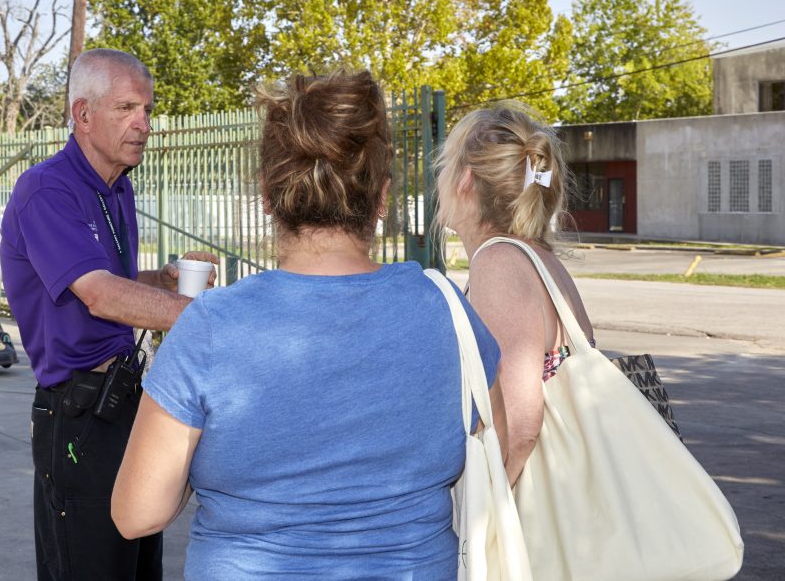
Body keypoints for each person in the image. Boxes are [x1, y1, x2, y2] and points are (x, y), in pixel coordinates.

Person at [111, 70, 506, 580]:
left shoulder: (211, 325)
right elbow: (496, 435)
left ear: (267, 196)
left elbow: (136, 514)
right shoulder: (447, 309)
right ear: (382, 198)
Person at [0, 48, 217, 581]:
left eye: (146, 110)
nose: (143, 124)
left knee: (138, 561)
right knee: (91, 566)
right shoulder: (48, 189)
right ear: (83, 114)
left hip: (123, 402)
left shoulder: (117, 187)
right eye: (126, 109)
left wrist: (162, 282)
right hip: (77, 412)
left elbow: (108, 282)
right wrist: (206, 318)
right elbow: (99, 296)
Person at [433, 101, 595, 486]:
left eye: (444, 166)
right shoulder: (536, 257)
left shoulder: (499, 262)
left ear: (465, 180)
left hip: (532, 509)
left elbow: (519, 429)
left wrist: (488, 520)